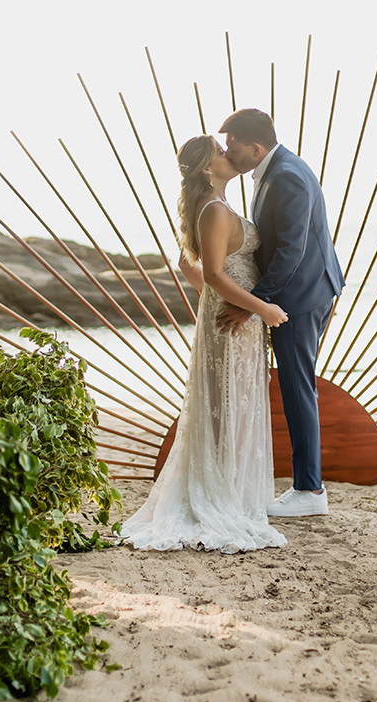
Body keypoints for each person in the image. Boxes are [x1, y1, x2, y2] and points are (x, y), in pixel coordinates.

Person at [121, 135, 288, 553]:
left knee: (234, 403)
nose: (227, 153)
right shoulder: (214, 210)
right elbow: (211, 273)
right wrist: (260, 308)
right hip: (234, 323)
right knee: (228, 405)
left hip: (233, 317)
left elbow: (187, 265)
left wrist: (221, 300)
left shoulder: (218, 207)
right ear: (207, 169)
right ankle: (222, 495)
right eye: (219, 151)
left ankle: (232, 489)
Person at [216, 109, 345, 518]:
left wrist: (250, 305)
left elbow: (291, 249)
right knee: (296, 385)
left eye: (233, 147)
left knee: (297, 387)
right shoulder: (277, 170)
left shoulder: (287, 175)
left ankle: (310, 489)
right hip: (300, 291)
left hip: (299, 297)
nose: (228, 153)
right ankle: (309, 486)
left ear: (256, 148)